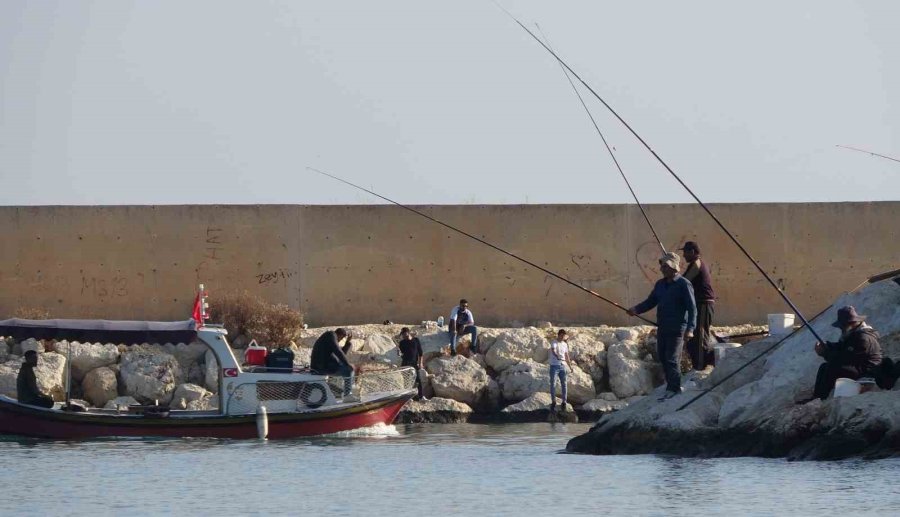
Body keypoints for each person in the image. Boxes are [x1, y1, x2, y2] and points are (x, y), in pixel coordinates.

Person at [628, 252, 697, 401]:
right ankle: (670, 386)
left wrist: (690, 329)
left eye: (666, 266)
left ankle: (675, 388)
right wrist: (636, 309)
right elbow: (650, 301)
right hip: (663, 327)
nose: (662, 269)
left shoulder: (684, 284)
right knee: (663, 358)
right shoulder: (660, 284)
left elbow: (692, 308)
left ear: (674, 267)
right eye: (662, 266)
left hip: (678, 328)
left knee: (672, 359)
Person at [812, 306, 882, 400]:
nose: (841, 328)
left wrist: (824, 353)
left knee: (833, 367)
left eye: (842, 326)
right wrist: (827, 345)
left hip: (867, 370)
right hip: (857, 365)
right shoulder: (854, 334)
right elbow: (842, 347)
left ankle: (822, 398)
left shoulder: (862, 338)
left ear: (850, 323)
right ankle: (817, 396)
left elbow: (844, 359)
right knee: (824, 367)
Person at [680, 241, 717, 370]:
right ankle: (698, 366)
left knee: (700, 338)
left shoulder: (697, 264)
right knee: (694, 338)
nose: (683, 255)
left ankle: (700, 369)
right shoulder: (693, 264)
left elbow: (684, 281)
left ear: (693, 252)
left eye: (685, 252)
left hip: (703, 304)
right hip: (698, 304)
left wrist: (673, 273)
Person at [311, 328, 357, 400]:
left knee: (347, 369)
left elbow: (341, 354)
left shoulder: (329, 342)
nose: (340, 340)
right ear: (339, 334)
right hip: (321, 368)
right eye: (341, 338)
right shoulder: (330, 335)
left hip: (324, 367)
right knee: (349, 370)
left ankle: (343, 393)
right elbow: (338, 351)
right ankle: (347, 396)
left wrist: (348, 343)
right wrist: (348, 365)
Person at [398, 327, 427, 400]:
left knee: (418, 380)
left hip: (414, 363)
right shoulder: (402, 343)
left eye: (404, 334)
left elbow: (420, 353)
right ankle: (408, 397)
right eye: (402, 335)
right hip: (405, 363)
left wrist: (420, 364)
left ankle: (421, 397)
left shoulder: (416, 340)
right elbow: (401, 354)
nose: (404, 336)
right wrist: (399, 353)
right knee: (406, 381)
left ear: (408, 332)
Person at [549, 329, 572, 412]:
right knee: (553, 383)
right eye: (561, 335)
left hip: (563, 366)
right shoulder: (554, 342)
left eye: (564, 336)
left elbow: (566, 355)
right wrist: (557, 356)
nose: (562, 337)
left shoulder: (565, 344)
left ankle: (564, 402)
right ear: (558, 335)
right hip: (554, 366)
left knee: (564, 384)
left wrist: (570, 366)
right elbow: (553, 350)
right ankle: (553, 401)